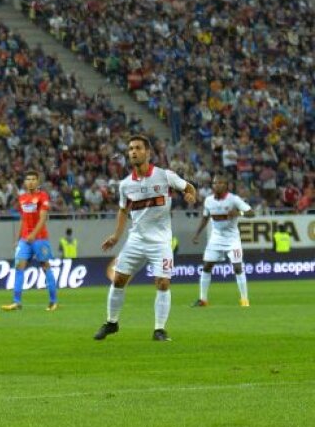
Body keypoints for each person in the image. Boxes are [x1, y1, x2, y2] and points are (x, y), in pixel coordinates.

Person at [96, 135, 197, 343]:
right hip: (136, 240)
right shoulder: (125, 185)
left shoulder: (165, 176)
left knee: (162, 283)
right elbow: (123, 210)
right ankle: (112, 323)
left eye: (138, 148)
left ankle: (159, 329)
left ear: (148, 153)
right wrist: (116, 236)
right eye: (130, 148)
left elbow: (188, 187)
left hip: (160, 241)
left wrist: (191, 195)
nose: (133, 151)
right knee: (118, 280)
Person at [191, 176, 255, 307]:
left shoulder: (233, 199)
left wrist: (239, 213)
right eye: (215, 183)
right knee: (207, 266)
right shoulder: (208, 201)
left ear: (226, 185)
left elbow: (251, 213)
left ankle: (244, 300)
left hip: (232, 240)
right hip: (216, 238)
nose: (217, 185)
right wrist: (197, 234)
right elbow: (205, 217)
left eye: (220, 182)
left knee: (237, 267)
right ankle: (203, 300)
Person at [1, 171, 60, 311]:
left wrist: (33, 234)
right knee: (19, 267)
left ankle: (53, 301)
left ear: (38, 181)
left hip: (40, 238)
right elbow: (23, 219)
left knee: (45, 267)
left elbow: (43, 218)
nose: (31, 181)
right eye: (28, 179)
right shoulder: (22, 198)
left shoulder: (42, 196)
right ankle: (17, 302)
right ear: (25, 182)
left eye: (34, 179)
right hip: (24, 240)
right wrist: (18, 239)